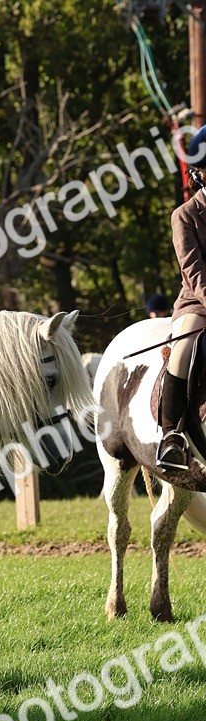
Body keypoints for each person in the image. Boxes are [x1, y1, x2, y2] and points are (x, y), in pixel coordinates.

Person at [157, 125, 206, 469]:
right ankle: (171, 434)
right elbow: (194, 270)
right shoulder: (185, 216)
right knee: (184, 349)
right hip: (197, 303)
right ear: (200, 172)